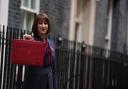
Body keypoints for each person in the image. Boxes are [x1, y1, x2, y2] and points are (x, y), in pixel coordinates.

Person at [23, 12, 58, 89]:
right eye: (40, 23)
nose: (43, 26)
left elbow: (54, 70)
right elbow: (25, 61)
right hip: (35, 83)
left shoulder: (51, 44)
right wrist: (26, 42)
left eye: (45, 23)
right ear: (36, 26)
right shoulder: (32, 41)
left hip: (49, 83)